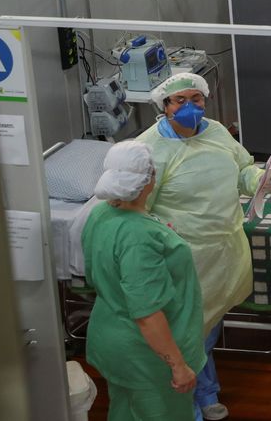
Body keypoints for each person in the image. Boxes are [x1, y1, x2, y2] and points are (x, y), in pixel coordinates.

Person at [137, 73, 271, 421]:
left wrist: (258, 179)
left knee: (207, 329)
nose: (189, 107)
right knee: (186, 333)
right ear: (163, 106)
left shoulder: (216, 131)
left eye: (197, 98)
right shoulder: (149, 148)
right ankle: (189, 401)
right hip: (185, 257)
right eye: (179, 100)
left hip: (225, 249)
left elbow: (242, 168)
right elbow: (139, 210)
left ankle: (206, 391)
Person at [82, 141, 204, 421]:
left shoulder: (100, 213)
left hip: (113, 340)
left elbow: (97, 272)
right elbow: (147, 313)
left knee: (125, 411)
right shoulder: (139, 236)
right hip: (148, 356)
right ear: (148, 180)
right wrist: (178, 366)